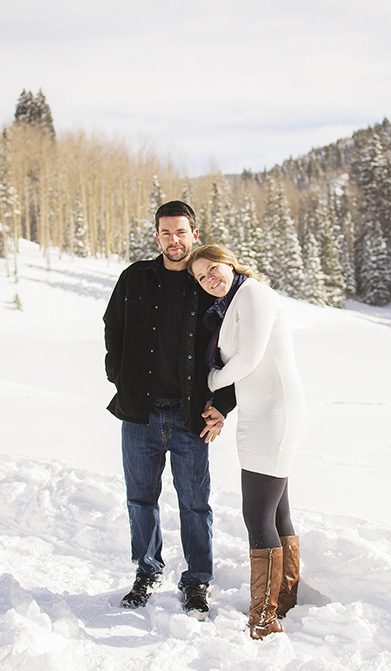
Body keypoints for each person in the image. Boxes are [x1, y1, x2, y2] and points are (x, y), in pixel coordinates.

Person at [103, 200, 236, 618]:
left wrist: (223, 405)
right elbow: (113, 329)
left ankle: (198, 581)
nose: (173, 240)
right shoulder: (134, 278)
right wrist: (119, 376)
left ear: (194, 235)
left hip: (190, 416)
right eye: (166, 232)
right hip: (139, 413)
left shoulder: (206, 283)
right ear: (156, 235)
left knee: (195, 503)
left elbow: (235, 346)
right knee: (140, 498)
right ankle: (146, 571)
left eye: (181, 232)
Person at [187, 243, 305, 640]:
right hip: (260, 412)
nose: (210, 279)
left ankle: (264, 617)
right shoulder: (231, 303)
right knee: (275, 512)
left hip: (275, 412)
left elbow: (249, 358)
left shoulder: (253, 293)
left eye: (213, 268)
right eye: (201, 277)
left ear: (229, 262)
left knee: (257, 517)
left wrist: (208, 382)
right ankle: (283, 597)